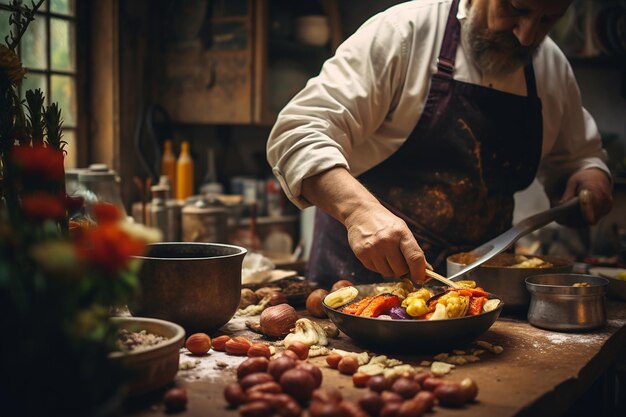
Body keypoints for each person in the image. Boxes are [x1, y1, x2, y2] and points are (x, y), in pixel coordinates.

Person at [266, 0, 613, 288]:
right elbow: (297, 131)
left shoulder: (551, 67)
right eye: (514, 9)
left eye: (547, 20)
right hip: (360, 287)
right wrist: (358, 211)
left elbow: (578, 157)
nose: (526, 36)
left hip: (474, 298)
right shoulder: (404, 33)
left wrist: (590, 175)